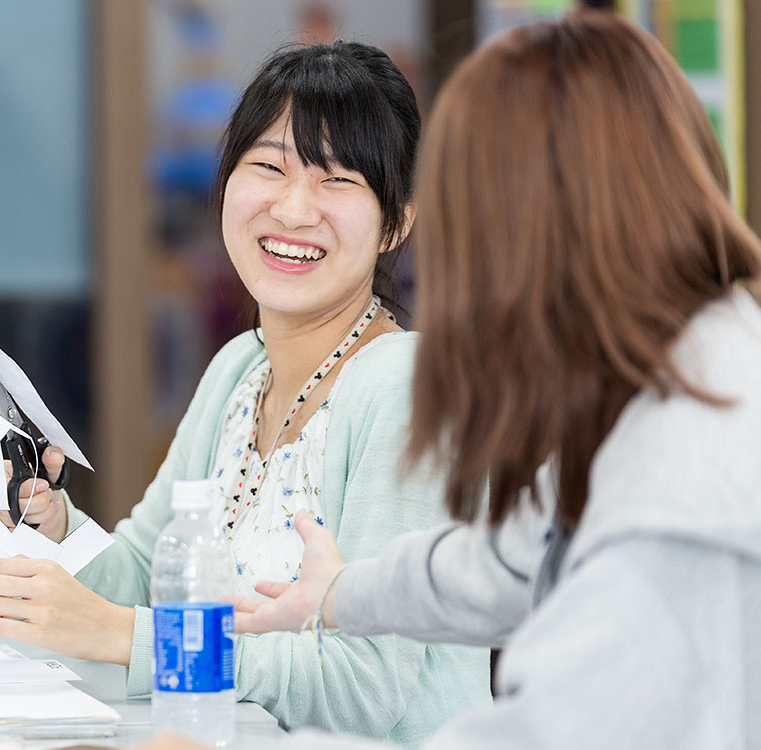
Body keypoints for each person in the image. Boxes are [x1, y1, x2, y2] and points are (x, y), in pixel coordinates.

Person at [207, 11, 761, 750]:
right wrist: (343, 594)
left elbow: (551, 733)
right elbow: (520, 555)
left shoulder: (688, 468)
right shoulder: (684, 361)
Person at [0, 42, 491, 741]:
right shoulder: (237, 370)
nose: (293, 207)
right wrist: (57, 526)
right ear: (226, 183)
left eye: (337, 180)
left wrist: (134, 641)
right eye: (270, 166)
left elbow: (366, 685)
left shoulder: (406, 389)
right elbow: (144, 572)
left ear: (396, 222)